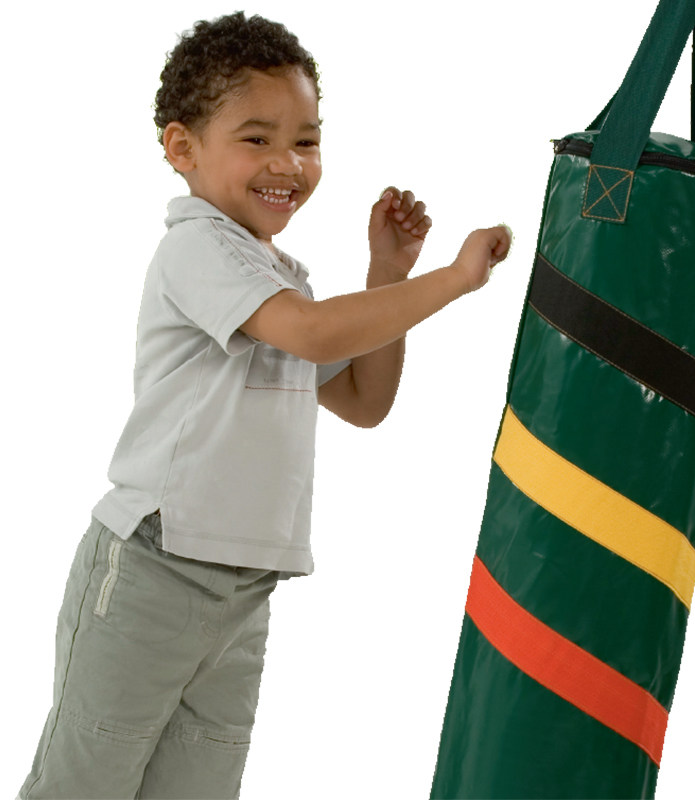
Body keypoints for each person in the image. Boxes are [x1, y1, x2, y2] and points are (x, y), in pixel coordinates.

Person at [18, 11, 511, 799]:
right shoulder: (197, 247)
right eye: (257, 138)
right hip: (152, 571)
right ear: (183, 148)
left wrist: (387, 274)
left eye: (307, 140)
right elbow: (313, 334)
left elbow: (364, 400)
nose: (288, 163)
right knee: (85, 785)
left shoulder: (281, 279)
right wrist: (450, 280)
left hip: (243, 592)